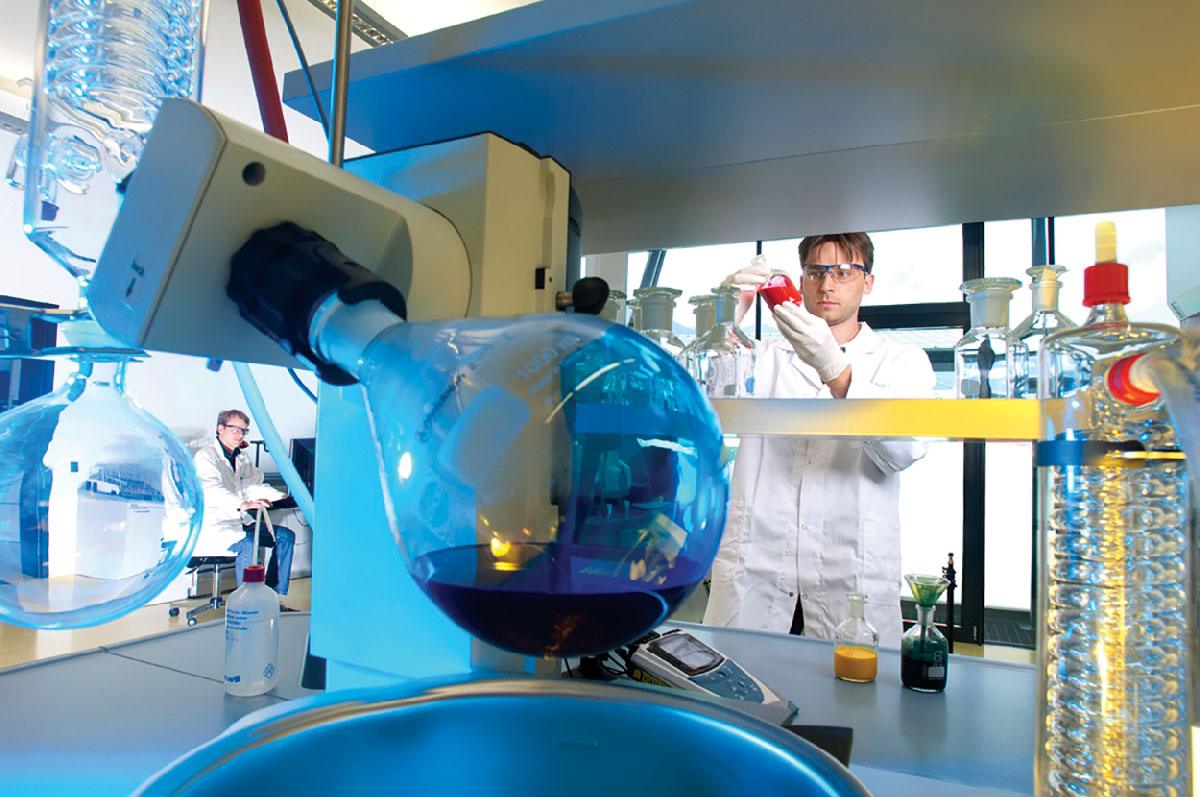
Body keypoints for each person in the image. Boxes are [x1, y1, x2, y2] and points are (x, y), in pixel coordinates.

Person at [703, 233, 936, 648]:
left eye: (844, 272)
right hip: (755, 572)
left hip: (848, 579)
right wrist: (723, 322)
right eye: (816, 271)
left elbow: (902, 450)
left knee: (853, 705)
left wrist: (835, 369)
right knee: (736, 693)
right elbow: (692, 403)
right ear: (802, 279)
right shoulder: (764, 358)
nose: (828, 285)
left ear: (868, 282)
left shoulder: (902, 361)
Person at [193, 410, 295, 596]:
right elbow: (211, 490)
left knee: (285, 537)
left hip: (240, 521)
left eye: (244, 431)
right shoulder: (206, 457)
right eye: (235, 430)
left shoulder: (241, 457)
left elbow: (253, 485)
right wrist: (242, 504)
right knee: (248, 543)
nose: (240, 435)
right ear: (220, 429)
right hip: (216, 526)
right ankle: (246, 604)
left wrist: (281, 496)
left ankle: (274, 597)